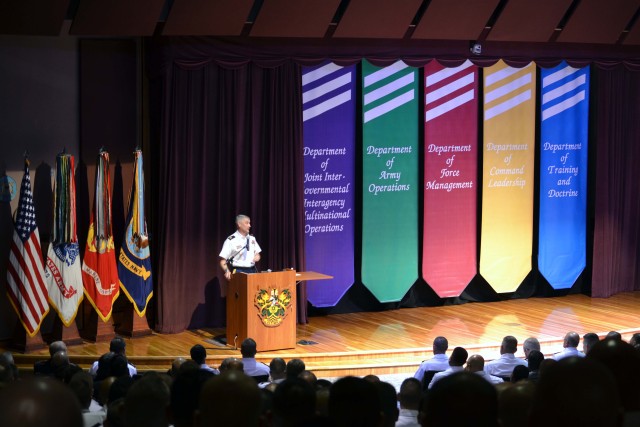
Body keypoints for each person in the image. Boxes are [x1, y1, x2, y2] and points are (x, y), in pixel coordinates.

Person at [219, 214, 262, 280]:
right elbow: (223, 261)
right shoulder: (231, 240)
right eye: (247, 223)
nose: (249, 226)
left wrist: (257, 256)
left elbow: (258, 254)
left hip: (252, 270)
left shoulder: (252, 238)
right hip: (238, 271)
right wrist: (227, 271)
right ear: (239, 224)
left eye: (249, 223)